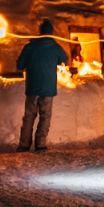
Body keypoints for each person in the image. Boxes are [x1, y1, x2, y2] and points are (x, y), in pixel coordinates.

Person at [16, 19, 68, 151]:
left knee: (29, 116)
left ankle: (24, 145)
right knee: (45, 116)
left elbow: (19, 65)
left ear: (39, 32)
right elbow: (64, 60)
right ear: (51, 33)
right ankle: (41, 144)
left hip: (32, 87)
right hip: (48, 88)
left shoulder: (29, 47)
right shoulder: (56, 48)